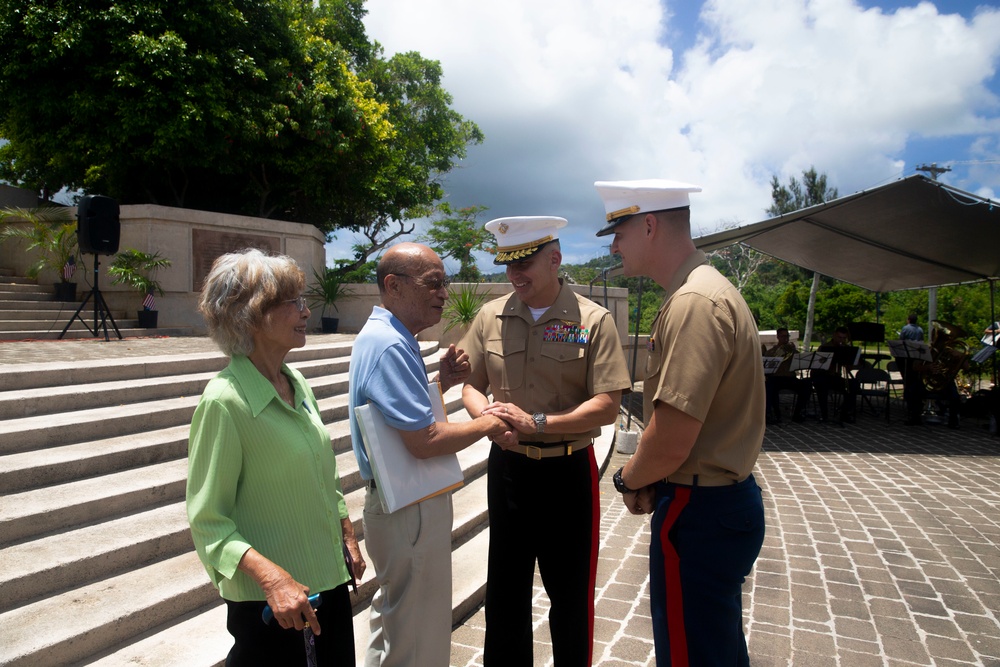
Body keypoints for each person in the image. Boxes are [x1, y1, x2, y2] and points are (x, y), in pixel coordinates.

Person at [594, 179, 766, 666]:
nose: (613, 245)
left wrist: (629, 477)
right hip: (717, 500)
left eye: (619, 232)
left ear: (649, 225)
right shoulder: (707, 291)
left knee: (692, 655)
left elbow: (671, 439)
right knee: (716, 649)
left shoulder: (693, 303)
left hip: (700, 509)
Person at [460, 216, 631, 666]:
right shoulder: (489, 316)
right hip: (509, 471)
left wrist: (536, 422)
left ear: (555, 259)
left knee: (571, 594)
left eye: (526, 263)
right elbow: (470, 385)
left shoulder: (592, 320)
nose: (515, 275)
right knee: (506, 591)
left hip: (567, 472)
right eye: (507, 265)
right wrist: (488, 418)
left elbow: (608, 404)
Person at [187, 248, 365, 666]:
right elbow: (208, 520)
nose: (306, 311)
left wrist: (346, 533)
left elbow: (325, 475)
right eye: (294, 303)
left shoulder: (295, 380)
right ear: (251, 314)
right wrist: (274, 579)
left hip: (328, 583)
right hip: (276, 607)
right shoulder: (224, 403)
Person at [348, 242, 513, 667]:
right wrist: (490, 424)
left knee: (398, 625)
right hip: (409, 508)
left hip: (400, 504)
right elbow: (423, 441)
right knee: (416, 635)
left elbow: (395, 416)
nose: (443, 293)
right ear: (393, 286)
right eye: (433, 283)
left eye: (445, 283)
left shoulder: (387, 337)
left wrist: (437, 380)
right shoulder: (390, 345)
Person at [811, 326, 859, 423]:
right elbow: (818, 365)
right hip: (822, 375)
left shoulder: (846, 349)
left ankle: (844, 413)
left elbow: (850, 368)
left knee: (853, 385)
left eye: (843, 338)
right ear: (834, 336)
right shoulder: (825, 347)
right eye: (839, 337)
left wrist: (848, 360)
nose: (841, 340)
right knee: (821, 384)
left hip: (835, 377)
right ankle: (824, 415)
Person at [763, 327, 811, 423]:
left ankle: (798, 414)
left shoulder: (792, 351)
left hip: (790, 378)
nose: (785, 339)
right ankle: (774, 414)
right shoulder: (772, 351)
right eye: (783, 336)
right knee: (769, 387)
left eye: (787, 336)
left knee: (806, 385)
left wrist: (794, 350)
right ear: (778, 337)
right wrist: (778, 353)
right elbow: (767, 363)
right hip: (776, 378)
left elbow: (800, 361)